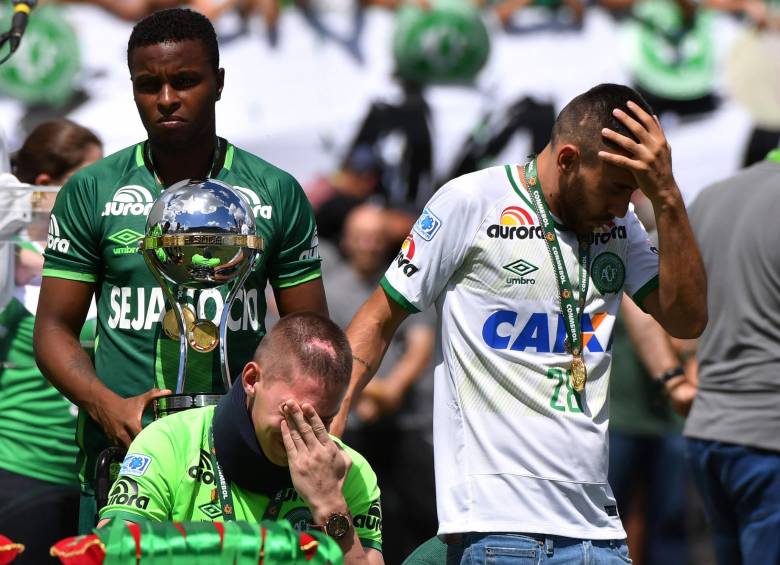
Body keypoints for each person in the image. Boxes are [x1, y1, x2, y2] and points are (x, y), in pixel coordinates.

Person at [334, 83, 707, 563]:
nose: (622, 207)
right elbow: (381, 315)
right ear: (569, 159)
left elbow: (688, 318)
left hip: (601, 533)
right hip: (503, 531)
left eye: (633, 192)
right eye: (615, 188)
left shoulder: (620, 225)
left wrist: (669, 196)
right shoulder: (471, 201)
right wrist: (334, 413)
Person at [34, 8, 328, 532]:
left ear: (218, 83)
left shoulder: (276, 191)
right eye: (149, 85)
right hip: (124, 462)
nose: (166, 99)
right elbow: (53, 329)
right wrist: (106, 405)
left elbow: (308, 339)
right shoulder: (92, 190)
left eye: (185, 81)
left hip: (244, 462)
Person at [98, 312, 383, 565]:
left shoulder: (351, 471)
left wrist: (331, 507)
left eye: (323, 421)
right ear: (251, 380)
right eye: (292, 414)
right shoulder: (168, 442)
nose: (303, 434)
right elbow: (112, 551)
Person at [0, 119, 102, 563]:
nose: (105, 191)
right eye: (91, 178)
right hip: (19, 467)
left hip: (89, 475)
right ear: (45, 185)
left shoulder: (98, 257)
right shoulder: (7, 255)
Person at [683, 149, 780, 565]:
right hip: (769, 438)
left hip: (707, 431)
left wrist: (671, 376)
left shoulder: (710, 197)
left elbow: (640, 290)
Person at [327, 204, 437, 562]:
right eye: (361, 237)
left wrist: (394, 390)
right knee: (360, 516)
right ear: (346, 241)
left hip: (404, 422)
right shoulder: (330, 291)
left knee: (422, 516)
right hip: (354, 426)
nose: (369, 245)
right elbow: (330, 355)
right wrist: (374, 392)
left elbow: (421, 344)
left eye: (376, 238)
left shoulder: (406, 282)